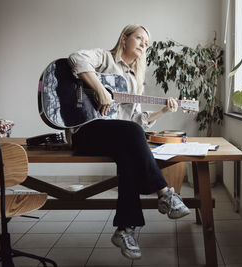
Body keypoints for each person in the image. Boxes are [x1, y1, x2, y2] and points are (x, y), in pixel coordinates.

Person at [68, 24, 190, 260]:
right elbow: (76, 59)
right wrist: (100, 91)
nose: (144, 44)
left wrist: (163, 111)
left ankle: (125, 229)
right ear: (124, 38)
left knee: (128, 155)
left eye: (147, 42)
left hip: (116, 136)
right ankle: (164, 193)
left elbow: (135, 121)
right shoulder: (104, 59)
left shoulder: (134, 80)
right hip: (86, 131)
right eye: (139, 38)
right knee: (131, 137)